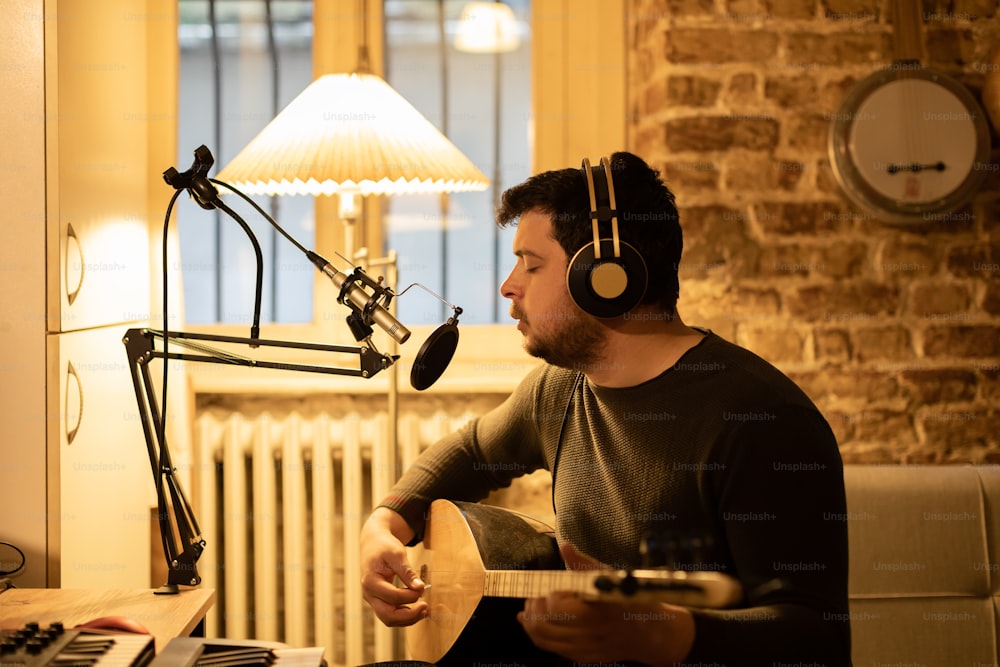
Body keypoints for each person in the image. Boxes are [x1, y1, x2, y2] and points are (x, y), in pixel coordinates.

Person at [360, 151, 851, 666]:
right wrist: (385, 523)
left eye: (531, 264)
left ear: (603, 276)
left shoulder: (761, 421)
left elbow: (817, 638)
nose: (508, 285)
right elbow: (474, 450)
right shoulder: (559, 388)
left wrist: (667, 636)